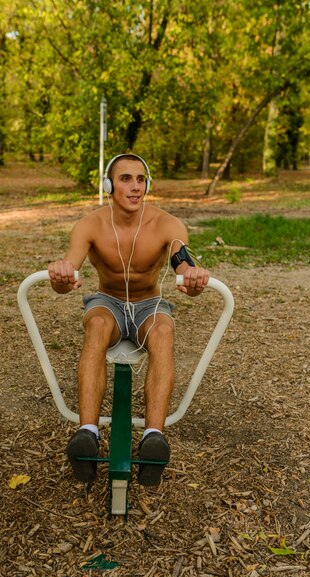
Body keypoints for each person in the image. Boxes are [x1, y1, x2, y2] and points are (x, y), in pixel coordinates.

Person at [48, 154, 209, 486]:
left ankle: (153, 439)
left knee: (163, 331)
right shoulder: (90, 225)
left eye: (140, 179)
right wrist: (62, 275)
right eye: (125, 179)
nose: (135, 187)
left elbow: (183, 264)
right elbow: (68, 273)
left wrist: (191, 275)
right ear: (109, 186)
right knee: (95, 326)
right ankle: (87, 434)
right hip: (107, 302)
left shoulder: (168, 225)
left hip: (149, 303)